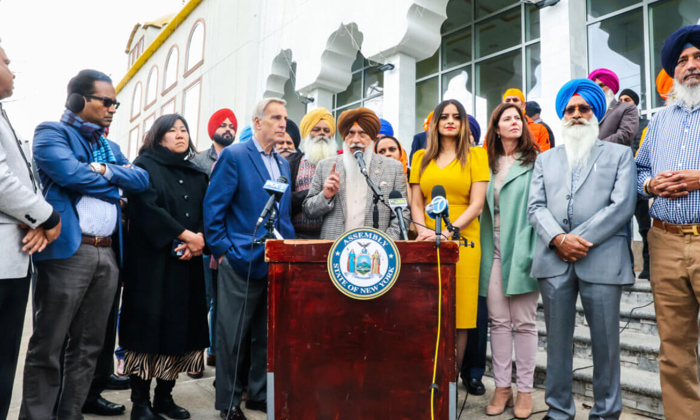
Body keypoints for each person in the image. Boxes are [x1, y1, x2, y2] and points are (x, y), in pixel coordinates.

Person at [20, 69, 149, 419]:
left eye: (115, 103)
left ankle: (71, 413)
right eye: (106, 101)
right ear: (79, 100)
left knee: (89, 346)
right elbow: (70, 174)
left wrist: (104, 171)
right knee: (49, 344)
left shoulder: (111, 147)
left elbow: (141, 179)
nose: (113, 108)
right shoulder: (51, 132)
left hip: (108, 254)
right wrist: (116, 185)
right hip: (68, 252)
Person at [528, 78, 636, 420]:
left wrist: (576, 240)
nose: (576, 114)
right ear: (562, 115)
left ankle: (606, 413)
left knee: (606, 344)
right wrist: (558, 239)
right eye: (570, 109)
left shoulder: (619, 154)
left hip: (602, 259)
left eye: (584, 108)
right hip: (554, 259)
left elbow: (622, 206)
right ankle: (559, 410)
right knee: (557, 343)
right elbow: (535, 207)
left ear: (596, 113)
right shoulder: (545, 159)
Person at [204, 98, 295, 420]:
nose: (283, 124)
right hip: (240, 260)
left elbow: (283, 216)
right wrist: (225, 253)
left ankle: (258, 395)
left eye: (285, 118)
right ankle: (228, 402)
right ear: (257, 122)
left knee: (266, 335)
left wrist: (289, 251)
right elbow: (213, 210)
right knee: (232, 337)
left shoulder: (283, 164)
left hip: (275, 262)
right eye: (276, 117)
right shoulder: (235, 155)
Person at [118, 114, 209, 419]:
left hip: (186, 264)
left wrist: (198, 241)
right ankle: (140, 402)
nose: (180, 135)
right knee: (147, 327)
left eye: (184, 130)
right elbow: (146, 208)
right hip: (151, 265)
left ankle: (164, 398)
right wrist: (185, 236)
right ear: (158, 137)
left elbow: (207, 211)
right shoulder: (144, 166)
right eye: (172, 130)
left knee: (180, 329)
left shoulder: (197, 173)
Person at [636, 25, 700, 420]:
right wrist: (650, 185)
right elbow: (638, 171)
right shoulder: (658, 121)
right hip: (664, 241)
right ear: (673, 71)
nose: (691, 65)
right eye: (683, 60)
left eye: (698, 57)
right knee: (674, 348)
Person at [0, 39, 61, 420]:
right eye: (6, 62)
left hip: (14, 256)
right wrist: (48, 218)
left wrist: (36, 219)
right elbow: (2, 182)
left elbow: (25, 180)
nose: (13, 71)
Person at [409, 99, 489, 371]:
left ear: (463, 123)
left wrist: (446, 232)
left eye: (456, 116)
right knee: (426, 311)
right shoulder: (420, 157)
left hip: (463, 242)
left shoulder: (477, 156)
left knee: (460, 315)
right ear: (435, 123)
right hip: (426, 241)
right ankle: (426, 378)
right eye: (444, 116)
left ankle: (449, 381)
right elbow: (416, 202)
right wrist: (424, 231)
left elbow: (477, 205)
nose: (450, 121)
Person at [480, 103, 540, 418]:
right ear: (496, 128)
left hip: (523, 243)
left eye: (518, 118)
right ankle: (502, 388)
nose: (515, 121)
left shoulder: (536, 160)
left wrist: (533, 245)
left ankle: (526, 391)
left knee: (525, 322)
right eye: (507, 118)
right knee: (499, 322)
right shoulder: (485, 163)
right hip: (491, 246)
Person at [303, 107, 409, 240]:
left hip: (377, 248)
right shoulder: (325, 166)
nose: (356, 140)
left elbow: (402, 214)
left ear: (372, 138)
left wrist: (384, 244)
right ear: (344, 137)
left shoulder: (393, 168)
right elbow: (309, 211)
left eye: (362, 133)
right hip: (334, 248)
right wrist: (325, 196)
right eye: (350, 133)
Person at [192, 108, 239, 370]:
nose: (228, 129)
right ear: (213, 130)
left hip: (228, 240)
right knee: (202, 298)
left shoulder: (238, 157)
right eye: (223, 125)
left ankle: (215, 352)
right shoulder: (198, 160)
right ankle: (195, 357)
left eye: (232, 126)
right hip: (202, 239)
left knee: (223, 301)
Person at [288, 108, 337, 239]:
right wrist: (319, 193)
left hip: (332, 237)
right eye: (316, 129)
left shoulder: (340, 163)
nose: (322, 133)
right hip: (298, 237)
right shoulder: (292, 163)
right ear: (307, 133)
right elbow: (285, 199)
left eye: (326, 130)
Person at [618, 88, 651, 280]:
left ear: (635, 103)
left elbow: (645, 154)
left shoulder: (645, 125)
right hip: (620, 186)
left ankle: (648, 268)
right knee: (622, 229)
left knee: (645, 228)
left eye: (628, 99)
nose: (623, 102)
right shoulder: (615, 127)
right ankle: (627, 269)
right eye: (621, 99)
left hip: (639, 185)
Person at [587, 68, 639, 146]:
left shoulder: (627, 108)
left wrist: (597, 147)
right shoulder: (587, 112)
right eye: (594, 87)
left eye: (601, 86)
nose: (598, 90)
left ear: (610, 86)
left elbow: (625, 135)